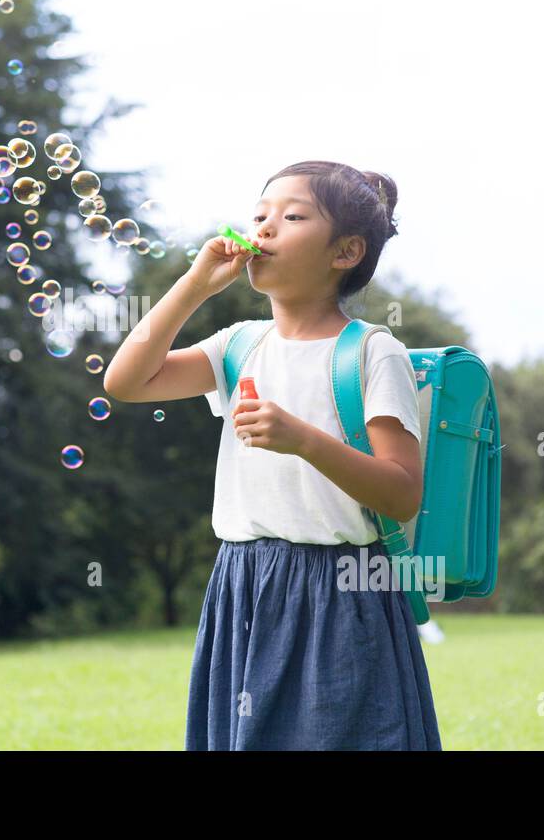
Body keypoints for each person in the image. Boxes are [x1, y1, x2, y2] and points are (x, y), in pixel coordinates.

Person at [103, 160, 441, 750]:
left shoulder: (372, 353)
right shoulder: (239, 344)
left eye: (291, 217)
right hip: (244, 581)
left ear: (346, 251)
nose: (264, 229)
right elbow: (127, 381)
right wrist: (196, 284)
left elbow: (400, 489)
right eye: (259, 216)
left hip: (342, 591)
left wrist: (304, 439)